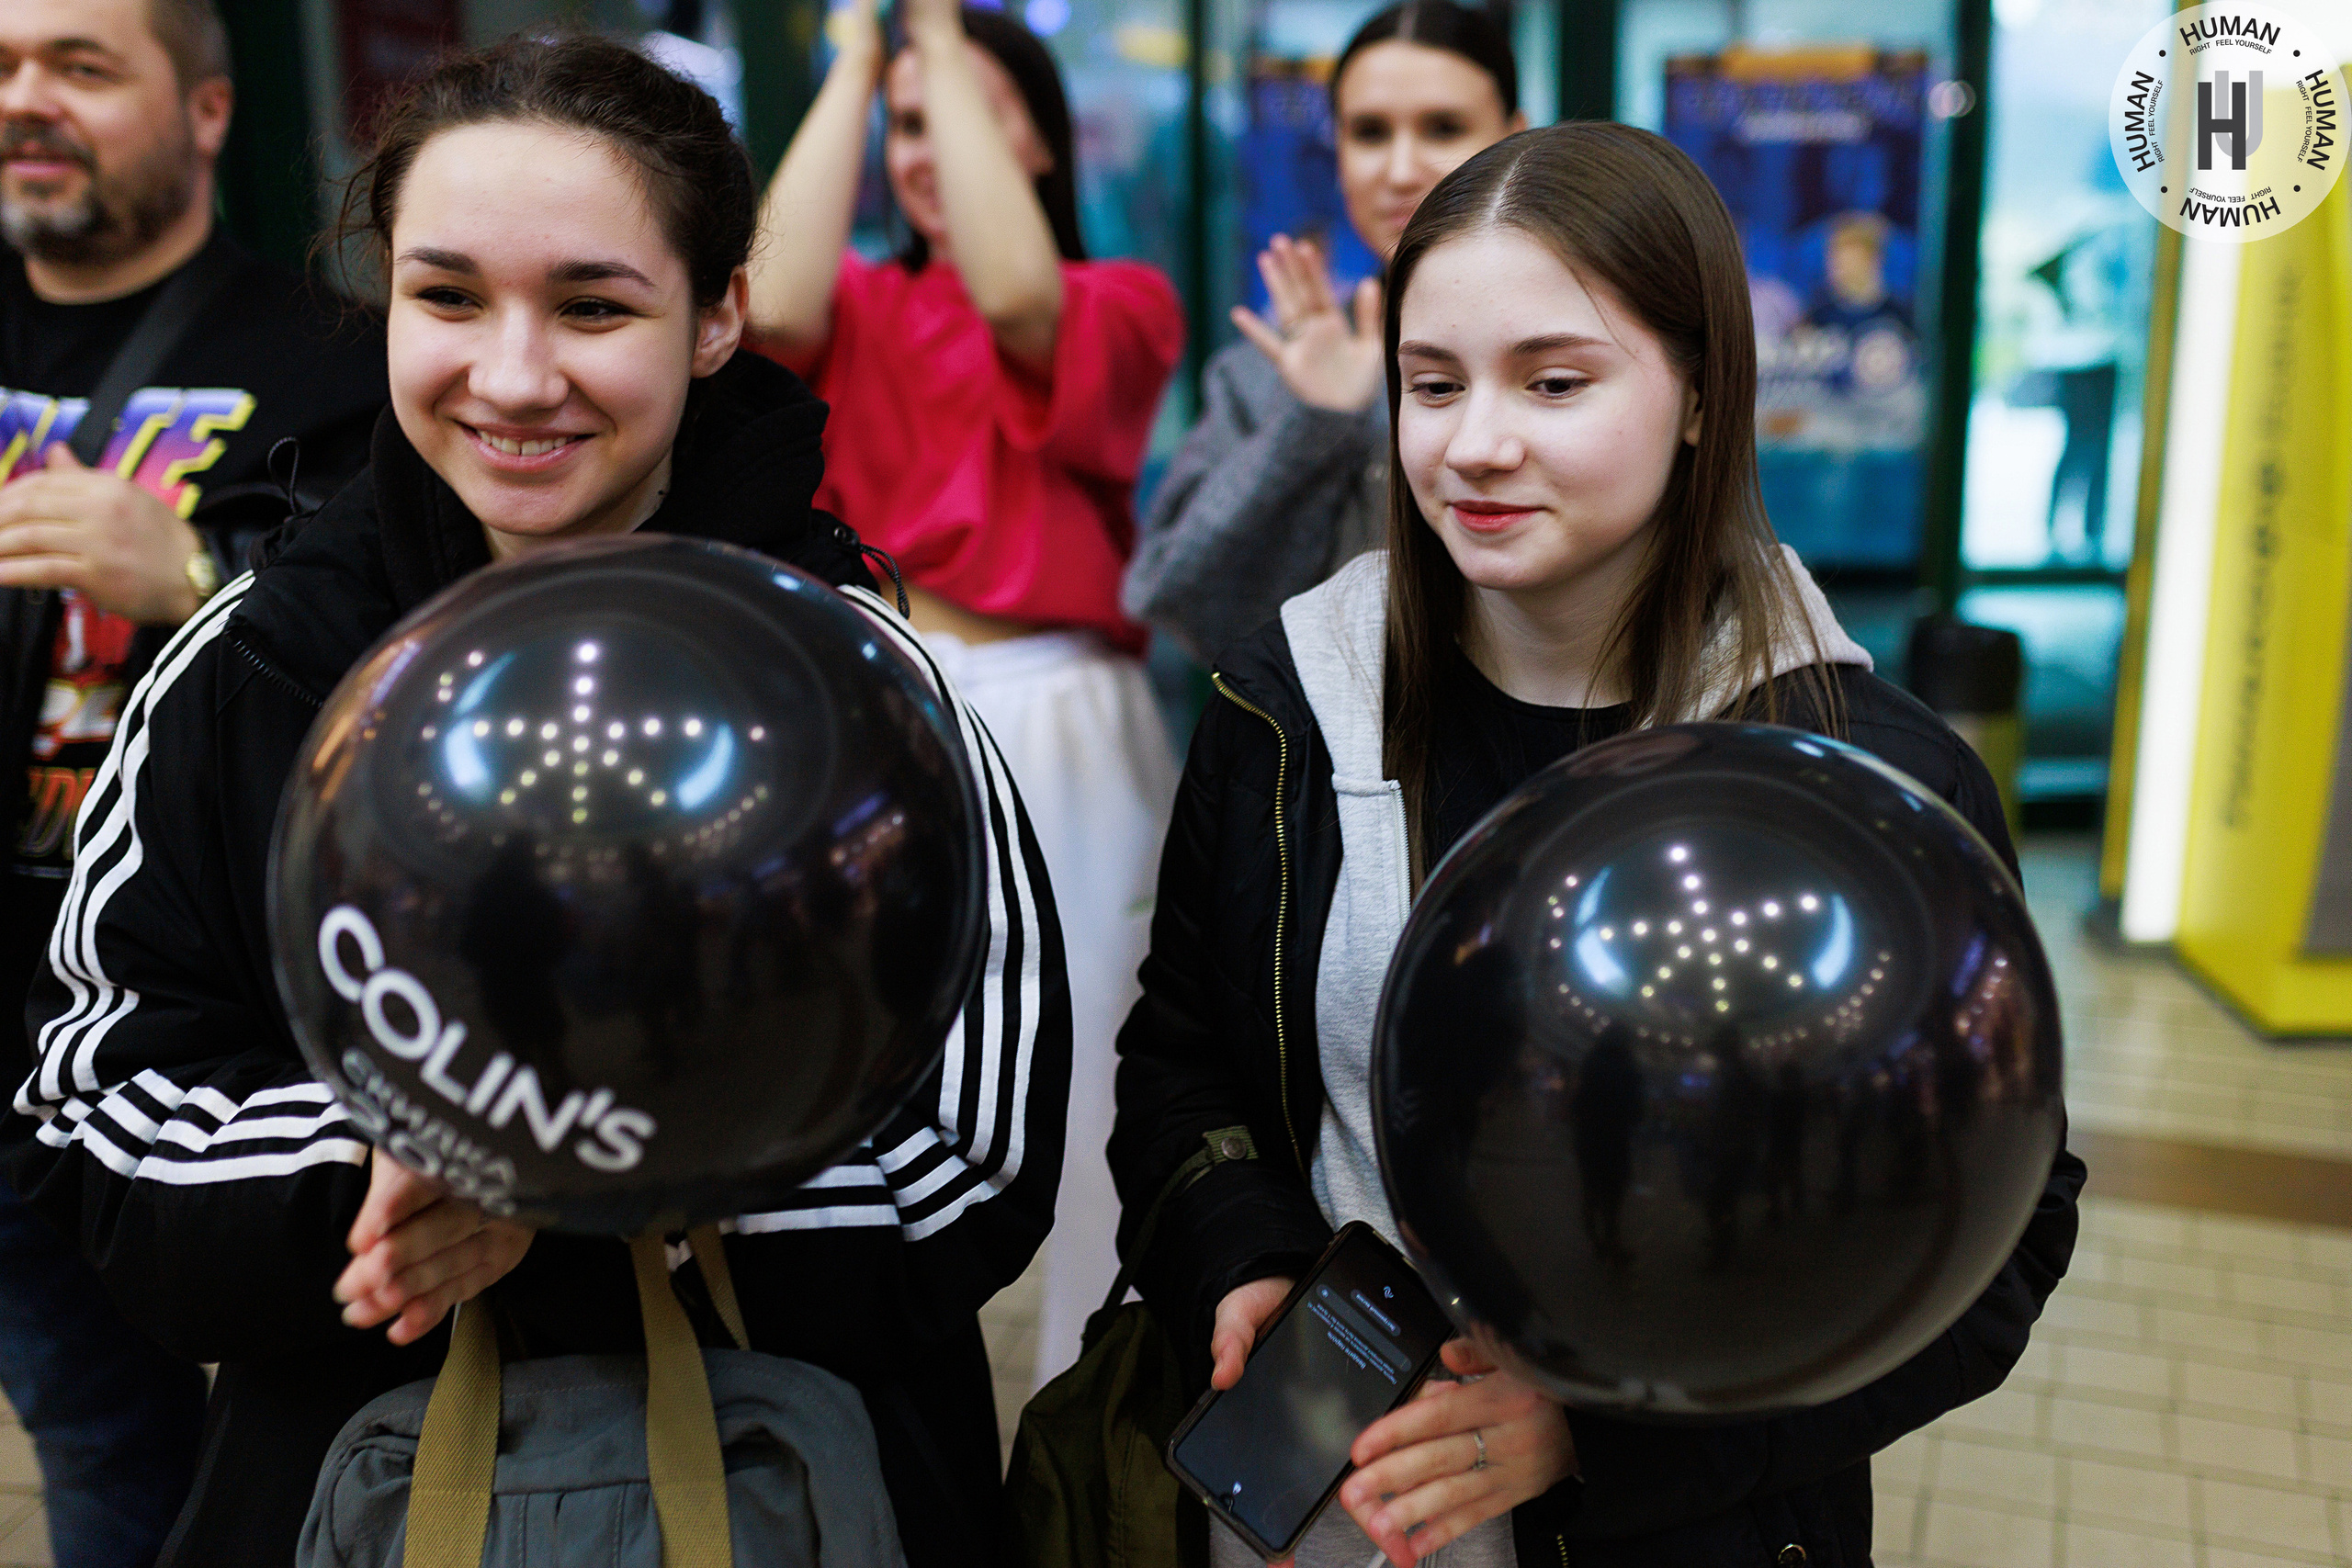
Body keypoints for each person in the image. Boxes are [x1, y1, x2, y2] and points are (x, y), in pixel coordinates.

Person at [0, 36, 1068, 1568]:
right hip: (352, 1484)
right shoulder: (256, 659)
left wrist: (587, 1182)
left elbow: (974, 1151)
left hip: (800, 1484)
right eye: (446, 297)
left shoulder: (851, 671)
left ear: (716, 319)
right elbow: (102, 1109)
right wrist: (379, 1171)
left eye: (593, 305)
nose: (512, 375)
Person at [1109, 122, 2084, 1567]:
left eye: (1554, 382)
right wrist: (1242, 1251)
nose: (1476, 442)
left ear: (1700, 395)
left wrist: (1603, 1428)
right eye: (1431, 385)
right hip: (1334, 1502)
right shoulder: (1288, 703)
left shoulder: (1865, 785)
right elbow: (1184, 1051)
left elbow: (1997, 1243)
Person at [748, 0, 1181, 1387]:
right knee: (858, 1064)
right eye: (909, 128)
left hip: (1064, 703)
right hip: (881, 700)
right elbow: (776, 295)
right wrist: (867, 59)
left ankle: (1090, 1400)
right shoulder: (858, 306)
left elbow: (1014, 295)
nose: (926, 145)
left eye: (966, 113)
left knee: (1114, 1063)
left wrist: (927, 23)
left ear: (1044, 144)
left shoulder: (1121, 301)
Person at [0, 0, 383, 1558]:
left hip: (199, 1011)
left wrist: (205, 568)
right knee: (86, 1429)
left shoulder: (335, 357)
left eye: (82, 68)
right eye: (7, 69)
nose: (29, 101)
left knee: (237, 1447)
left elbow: (403, 666)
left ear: (212, 113)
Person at [1123, 0, 1521, 667]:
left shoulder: (1585, 340)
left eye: (1443, 127)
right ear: (1334, 151)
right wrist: (1313, 423)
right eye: (1369, 133)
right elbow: (1180, 600)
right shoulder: (1270, 367)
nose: (1400, 170)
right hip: (1337, 759)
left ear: (1515, 136)